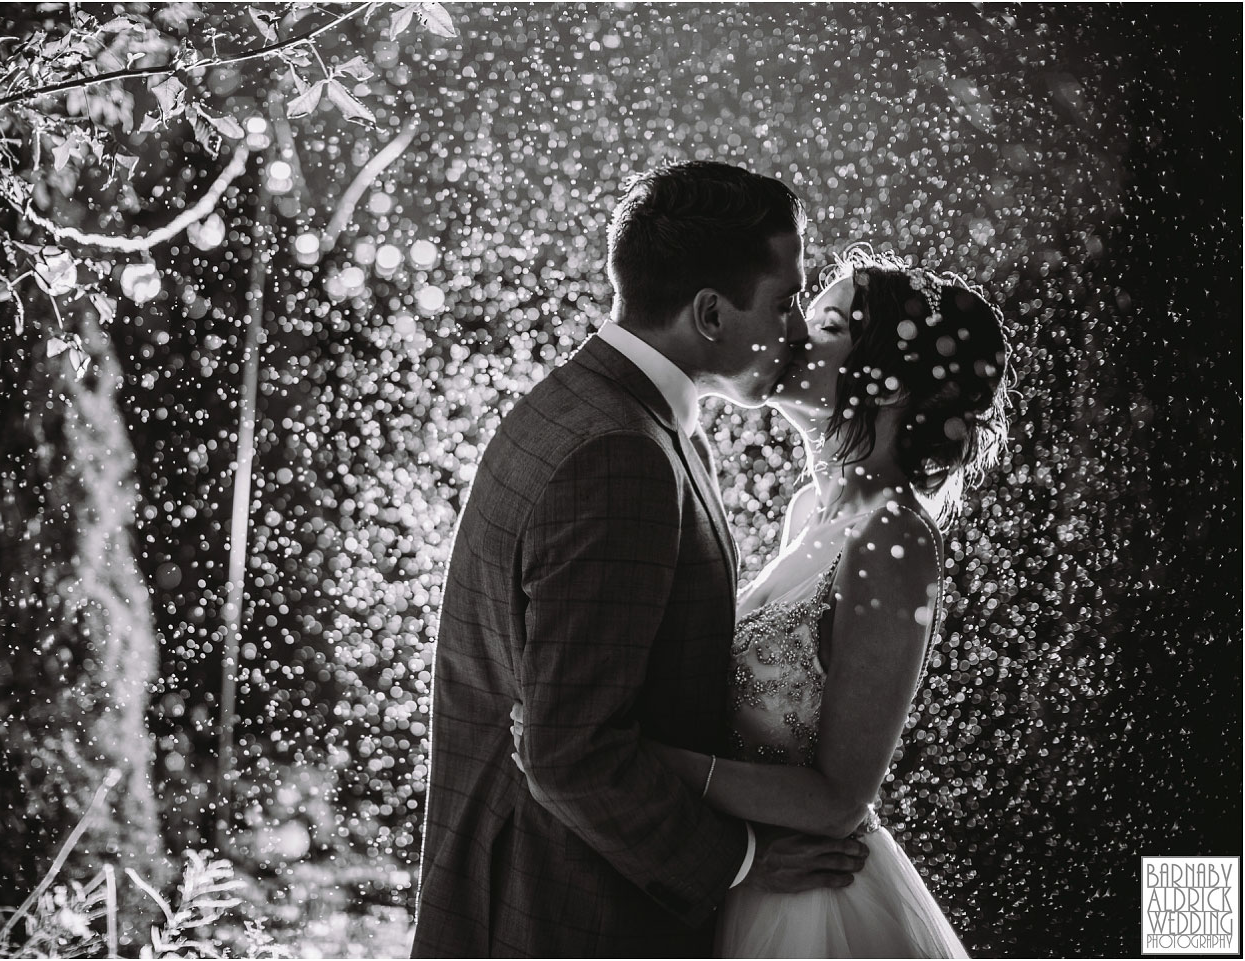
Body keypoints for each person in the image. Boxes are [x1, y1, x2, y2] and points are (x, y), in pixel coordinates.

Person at [411, 161, 874, 958]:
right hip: (565, 916)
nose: (797, 326)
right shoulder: (618, 456)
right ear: (709, 312)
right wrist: (744, 863)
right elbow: (573, 755)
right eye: (785, 299)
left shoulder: (603, 409)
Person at [513, 245, 1013, 957]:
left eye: (829, 325)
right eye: (803, 317)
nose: (797, 338)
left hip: (814, 906)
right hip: (748, 876)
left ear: (894, 384)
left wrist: (636, 754)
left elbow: (840, 796)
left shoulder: (894, 539)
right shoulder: (810, 507)